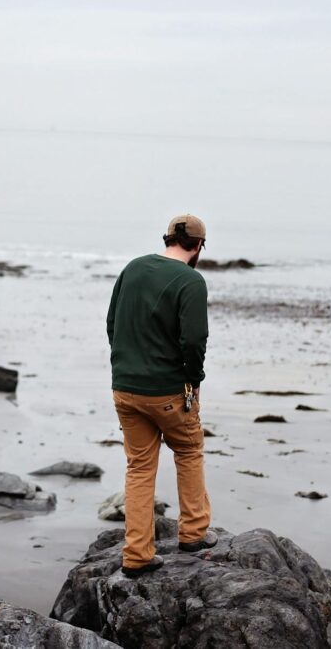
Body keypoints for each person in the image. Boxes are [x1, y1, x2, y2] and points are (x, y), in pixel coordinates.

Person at [106, 213, 216, 577]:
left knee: (139, 467)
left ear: (166, 238)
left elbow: (112, 323)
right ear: (198, 245)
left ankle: (136, 555)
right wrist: (194, 379)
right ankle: (194, 535)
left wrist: (127, 364)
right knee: (188, 450)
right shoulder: (191, 281)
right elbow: (194, 340)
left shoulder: (133, 268)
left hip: (124, 388)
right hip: (168, 392)